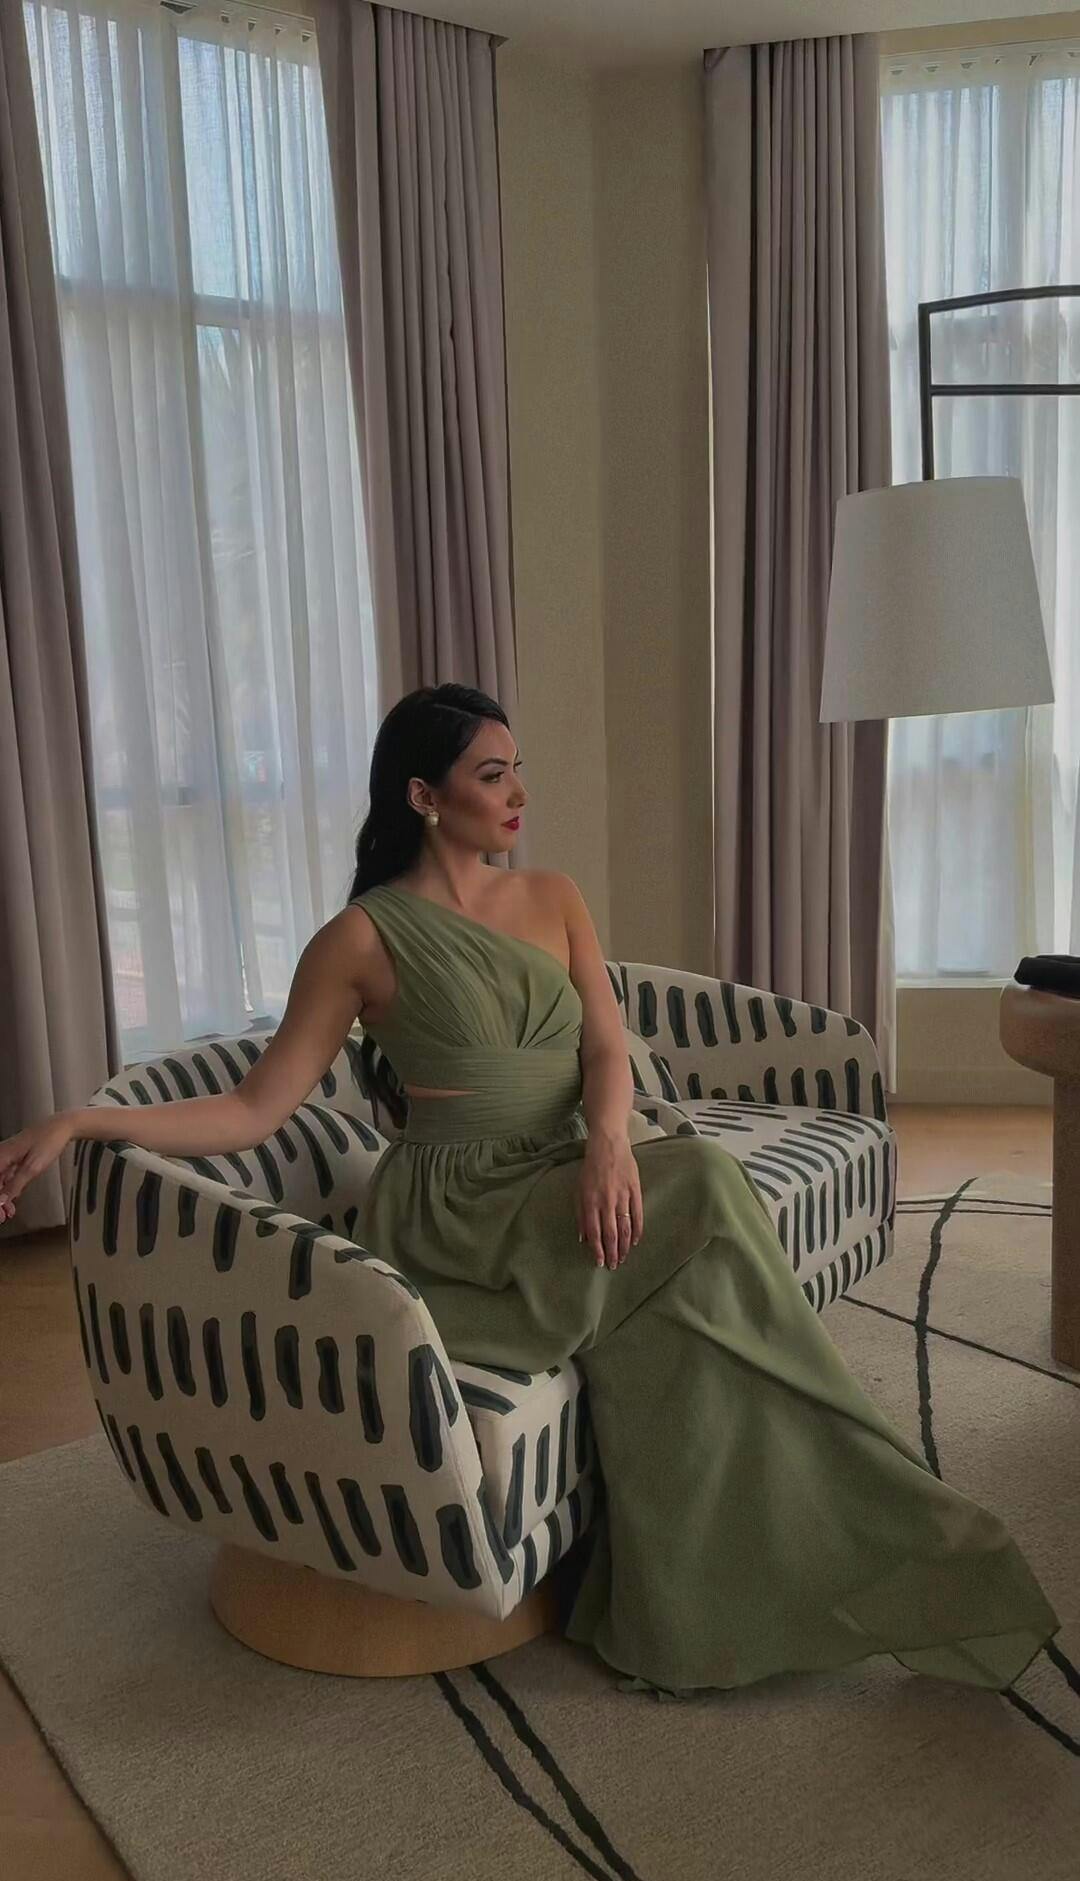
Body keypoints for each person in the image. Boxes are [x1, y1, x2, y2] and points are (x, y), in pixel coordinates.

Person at [0, 682, 1060, 1700]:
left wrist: (608, 1148)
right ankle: (868, 1483)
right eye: (492, 774)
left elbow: (605, 1046)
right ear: (424, 795)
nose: (519, 794)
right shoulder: (360, 939)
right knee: (703, 1181)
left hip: (565, 1166)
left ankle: (720, 1592)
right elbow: (251, 1109)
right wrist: (82, 1121)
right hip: (461, 1210)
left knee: (688, 1291)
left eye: (518, 770)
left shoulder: (553, 897)